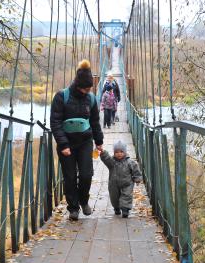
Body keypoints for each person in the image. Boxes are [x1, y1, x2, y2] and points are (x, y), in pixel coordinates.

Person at [50, 59, 104, 221]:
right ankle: (73, 208)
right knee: (70, 177)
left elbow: (95, 121)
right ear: (78, 85)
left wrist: (99, 141)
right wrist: (63, 144)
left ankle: (84, 201)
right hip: (66, 144)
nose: (87, 91)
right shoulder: (61, 97)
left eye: (89, 88)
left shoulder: (91, 99)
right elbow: (55, 122)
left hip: (85, 142)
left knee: (87, 174)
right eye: (85, 88)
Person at [99, 140, 142, 218]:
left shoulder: (130, 162)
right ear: (114, 153)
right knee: (114, 197)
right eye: (117, 152)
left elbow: (136, 170)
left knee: (126, 196)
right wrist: (103, 152)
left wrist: (137, 178)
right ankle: (116, 207)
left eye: (121, 152)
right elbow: (106, 159)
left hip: (127, 184)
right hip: (114, 184)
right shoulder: (112, 162)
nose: (119, 154)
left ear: (125, 152)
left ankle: (125, 210)